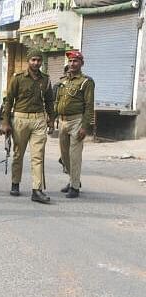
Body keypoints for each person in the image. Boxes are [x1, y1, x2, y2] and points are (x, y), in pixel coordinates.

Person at [0, 48, 55, 204]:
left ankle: (37, 190)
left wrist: (51, 119)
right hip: (20, 119)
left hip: (39, 120)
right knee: (18, 154)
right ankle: (15, 183)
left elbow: (50, 101)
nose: (36, 63)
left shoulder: (46, 79)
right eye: (33, 60)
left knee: (38, 156)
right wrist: (5, 122)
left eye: (38, 60)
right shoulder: (17, 78)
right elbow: (9, 100)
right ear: (28, 61)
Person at [55, 50, 94, 198]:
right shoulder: (63, 81)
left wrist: (85, 126)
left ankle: (75, 187)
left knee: (74, 155)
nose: (72, 64)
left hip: (77, 121)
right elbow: (57, 101)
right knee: (65, 156)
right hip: (63, 121)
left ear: (81, 64)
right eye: (70, 61)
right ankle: (73, 180)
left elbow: (89, 106)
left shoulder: (86, 82)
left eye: (75, 61)